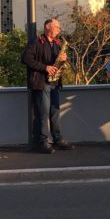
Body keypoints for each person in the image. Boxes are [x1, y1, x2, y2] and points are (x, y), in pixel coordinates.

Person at [20, 18, 74, 153]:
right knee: (43, 113)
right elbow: (25, 58)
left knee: (55, 113)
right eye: (57, 27)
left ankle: (57, 140)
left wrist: (63, 60)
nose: (59, 29)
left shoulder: (56, 43)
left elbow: (57, 62)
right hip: (41, 82)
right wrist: (45, 68)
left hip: (54, 82)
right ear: (48, 27)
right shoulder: (37, 42)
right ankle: (43, 142)